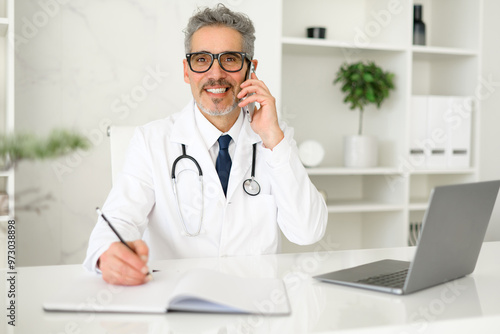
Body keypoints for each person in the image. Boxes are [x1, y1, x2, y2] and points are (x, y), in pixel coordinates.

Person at [83, 4, 328, 285]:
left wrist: (274, 139)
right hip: (179, 306)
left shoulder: (275, 137)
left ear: (251, 69)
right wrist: (108, 255)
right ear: (187, 71)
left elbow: (307, 232)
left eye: (231, 59)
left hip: (256, 307)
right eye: (202, 60)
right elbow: (118, 221)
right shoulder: (152, 141)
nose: (216, 73)